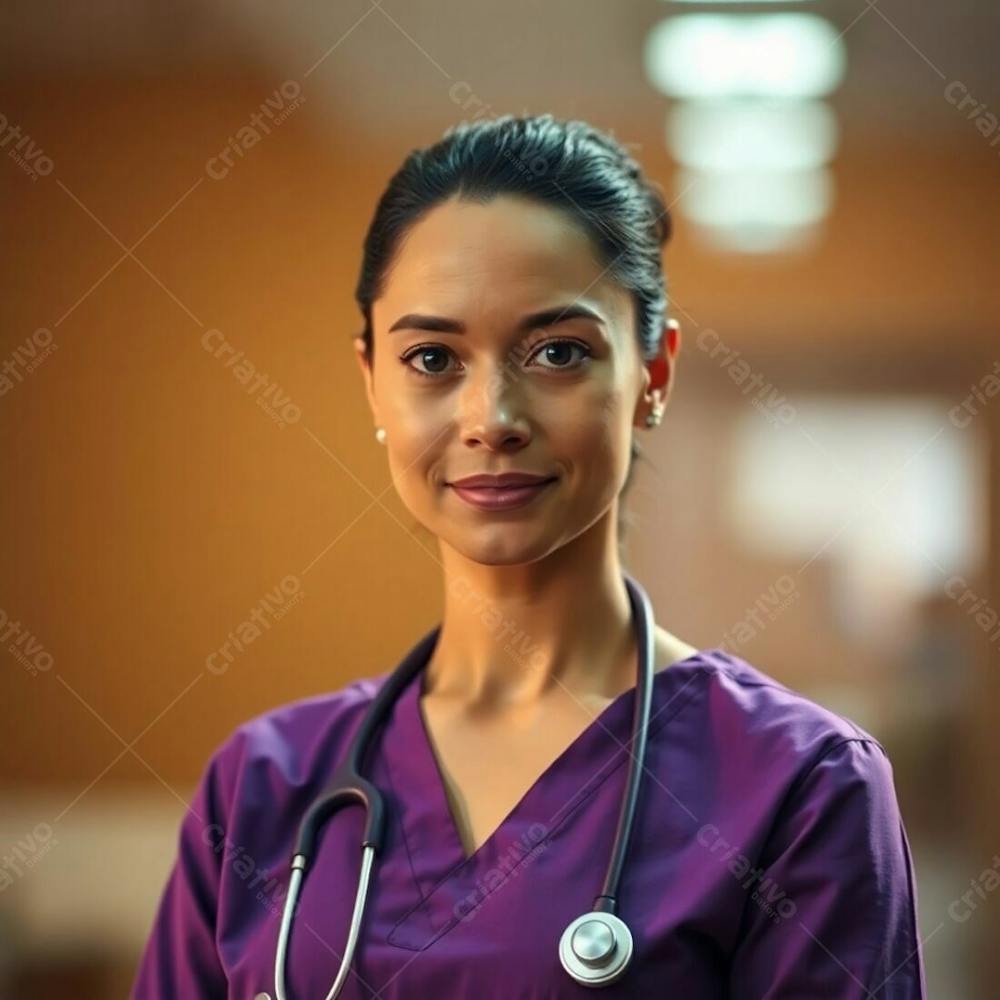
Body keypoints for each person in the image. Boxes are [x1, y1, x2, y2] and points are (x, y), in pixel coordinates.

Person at [132, 113, 927, 998]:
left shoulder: (799, 786)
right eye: (433, 357)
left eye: (558, 352)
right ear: (372, 382)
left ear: (651, 376)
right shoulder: (263, 787)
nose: (491, 419)